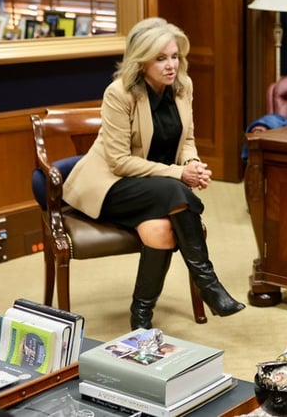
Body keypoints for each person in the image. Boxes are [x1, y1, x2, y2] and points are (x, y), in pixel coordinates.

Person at [63, 17, 245, 331]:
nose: (171, 65)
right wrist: (179, 174)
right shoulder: (119, 93)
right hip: (112, 185)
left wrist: (192, 164)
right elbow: (119, 162)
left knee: (161, 231)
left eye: (174, 56)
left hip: (158, 186)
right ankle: (209, 284)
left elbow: (187, 139)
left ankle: (141, 317)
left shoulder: (183, 86)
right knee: (176, 190)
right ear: (141, 60)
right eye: (160, 58)